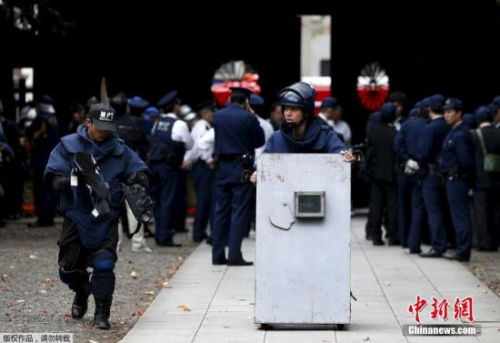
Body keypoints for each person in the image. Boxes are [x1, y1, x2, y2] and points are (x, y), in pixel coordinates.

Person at [44, 103, 148, 329]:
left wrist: (138, 182)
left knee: (104, 264)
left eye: (108, 127)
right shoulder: (68, 145)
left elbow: (138, 170)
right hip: (77, 214)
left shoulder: (121, 150)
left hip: (105, 214)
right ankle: (81, 289)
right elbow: (53, 173)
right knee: (67, 270)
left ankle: (102, 312)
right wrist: (62, 181)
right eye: (99, 126)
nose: (104, 131)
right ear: (88, 123)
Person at [211, 87, 265, 266]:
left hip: (222, 166)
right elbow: (259, 141)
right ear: (246, 101)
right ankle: (234, 255)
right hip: (241, 166)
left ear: (229, 99)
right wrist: (251, 116)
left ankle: (217, 254)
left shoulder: (218, 116)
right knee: (239, 210)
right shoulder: (248, 117)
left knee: (220, 211)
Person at [148, 91, 193, 247]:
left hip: (154, 166)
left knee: (158, 201)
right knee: (168, 201)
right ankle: (165, 235)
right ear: (175, 107)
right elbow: (189, 145)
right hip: (169, 168)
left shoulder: (157, 123)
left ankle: (159, 234)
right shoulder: (179, 124)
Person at [438, 98, 475, 261]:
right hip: (452, 178)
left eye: (450, 112)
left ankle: (463, 251)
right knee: (457, 216)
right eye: (445, 112)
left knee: (460, 217)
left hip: (458, 178)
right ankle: (461, 248)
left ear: (459, 113)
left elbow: (465, 161)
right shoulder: (453, 131)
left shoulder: (460, 134)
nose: (446, 115)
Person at [419, 94, 451, 258]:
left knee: (434, 210)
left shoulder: (430, 128)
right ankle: (448, 241)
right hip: (446, 172)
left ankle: (438, 244)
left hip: (431, 173)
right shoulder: (449, 125)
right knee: (446, 208)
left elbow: (424, 152)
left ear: (430, 109)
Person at [366, 103, 399, 246]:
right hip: (392, 173)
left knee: (376, 205)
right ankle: (392, 235)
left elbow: (370, 152)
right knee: (392, 206)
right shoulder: (395, 133)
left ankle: (375, 235)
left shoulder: (372, 131)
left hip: (376, 173)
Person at [26, 95, 59, 227]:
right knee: (50, 188)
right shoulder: (54, 119)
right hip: (52, 159)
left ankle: (42, 218)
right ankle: (49, 217)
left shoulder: (41, 118)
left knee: (40, 188)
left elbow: (29, 132)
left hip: (40, 158)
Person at [185, 102, 216, 242]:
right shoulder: (202, 126)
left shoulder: (204, 126)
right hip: (202, 166)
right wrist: (209, 160)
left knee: (205, 200)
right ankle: (198, 232)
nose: (213, 116)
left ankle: (200, 231)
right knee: (203, 200)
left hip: (201, 165)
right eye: (211, 114)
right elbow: (200, 146)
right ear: (205, 114)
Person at [471, 106, 500, 251]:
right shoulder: (498, 132)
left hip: (480, 178)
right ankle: (495, 241)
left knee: (481, 211)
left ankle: (483, 242)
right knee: (495, 210)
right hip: (497, 176)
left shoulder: (475, 134)